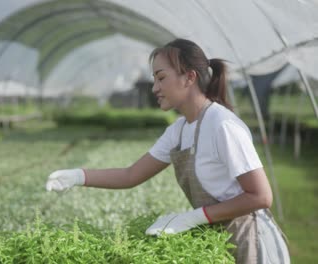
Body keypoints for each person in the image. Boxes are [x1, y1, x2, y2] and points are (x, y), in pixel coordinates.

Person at [45, 38, 289, 264]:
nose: (154, 88)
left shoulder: (222, 125)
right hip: (218, 240)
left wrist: (193, 217)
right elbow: (130, 175)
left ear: (189, 77)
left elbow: (260, 196)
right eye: (154, 79)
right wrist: (78, 176)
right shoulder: (180, 130)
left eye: (161, 78)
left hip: (249, 240)